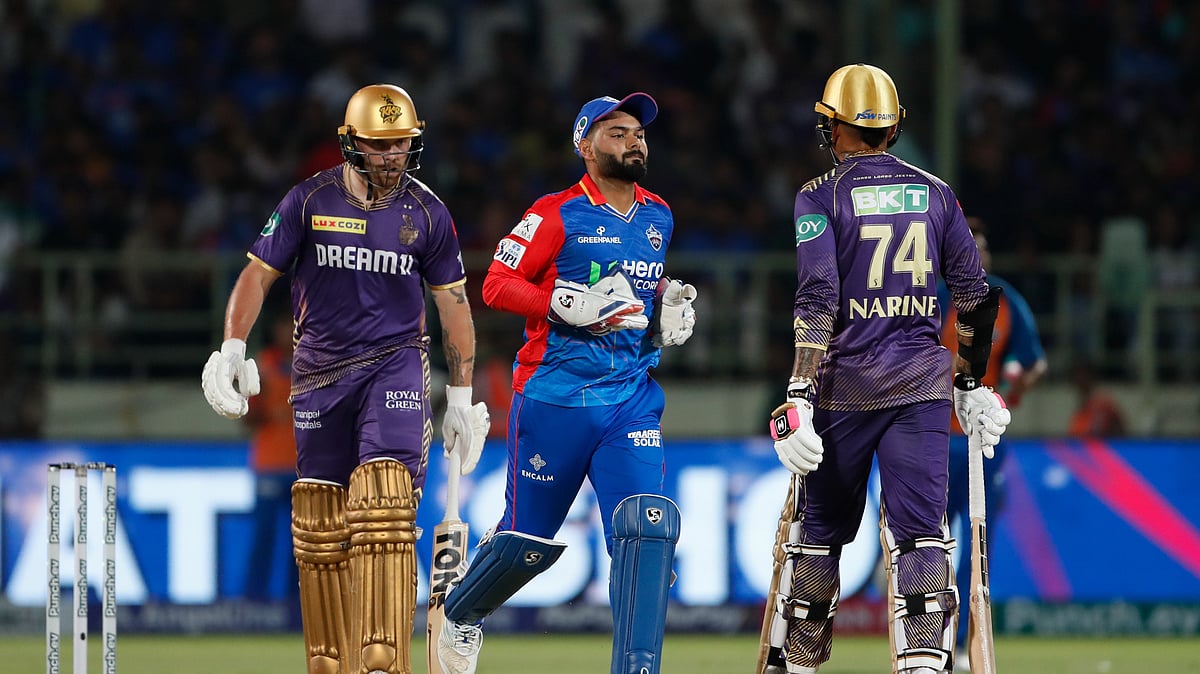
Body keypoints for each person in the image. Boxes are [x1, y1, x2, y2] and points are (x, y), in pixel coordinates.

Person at [201, 83, 490, 674]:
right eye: (379, 145)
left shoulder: (428, 212)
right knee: (321, 522)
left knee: (385, 502)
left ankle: (383, 661)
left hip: (397, 364)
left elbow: (455, 306)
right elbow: (257, 276)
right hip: (320, 372)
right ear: (350, 143)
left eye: (401, 144)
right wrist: (232, 346)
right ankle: (331, 664)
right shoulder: (309, 201)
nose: (392, 157)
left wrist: (459, 398)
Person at [759, 64, 1011, 674]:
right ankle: (924, 665)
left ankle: (800, 663)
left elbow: (817, 297)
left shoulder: (818, 196)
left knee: (818, 536)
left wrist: (797, 389)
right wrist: (972, 383)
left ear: (832, 126)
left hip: (841, 389)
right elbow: (976, 297)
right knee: (922, 535)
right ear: (894, 126)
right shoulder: (939, 192)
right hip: (922, 386)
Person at [436, 92, 698, 674]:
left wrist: (665, 316)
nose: (633, 141)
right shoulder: (555, 212)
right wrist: (558, 303)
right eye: (616, 133)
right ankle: (460, 611)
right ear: (585, 147)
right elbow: (497, 285)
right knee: (528, 544)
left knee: (646, 530)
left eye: (637, 133)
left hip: (630, 399)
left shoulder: (659, 215)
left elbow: (633, 303)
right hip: (554, 399)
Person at [939, 217, 1046, 670]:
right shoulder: (934, 298)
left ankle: (964, 646)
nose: (975, 257)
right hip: (934, 438)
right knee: (929, 544)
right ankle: (927, 641)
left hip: (983, 442)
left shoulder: (1005, 301)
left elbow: (1034, 361)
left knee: (978, 547)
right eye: (968, 250)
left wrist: (1015, 384)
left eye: (980, 250)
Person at [242, 305, 299, 602]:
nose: (287, 332)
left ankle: (295, 608)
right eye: (282, 325)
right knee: (263, 538)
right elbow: (246, 419)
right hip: (269, 464)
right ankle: (253, 605)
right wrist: (263, 405)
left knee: (299, 546)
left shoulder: (315, 363)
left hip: (302, 467)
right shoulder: (262, 366)